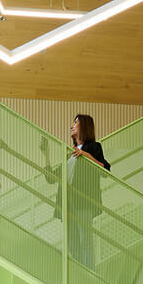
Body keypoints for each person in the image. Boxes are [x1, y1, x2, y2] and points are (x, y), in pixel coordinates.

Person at [46, 113, 109, 270]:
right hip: (68, 204)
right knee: (72, 244)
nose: (71, 126)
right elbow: (51, 178)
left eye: (76, 123)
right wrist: (45, 154)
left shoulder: (94, 147)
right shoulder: (70, 153)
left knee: (85, 241)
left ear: (85, 127)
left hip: (83, 202)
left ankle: (89, 274)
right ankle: (81, 272)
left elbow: (105, 169)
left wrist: (86, 155)